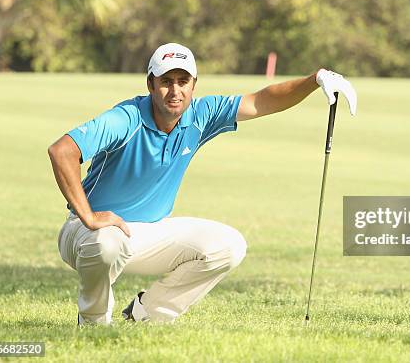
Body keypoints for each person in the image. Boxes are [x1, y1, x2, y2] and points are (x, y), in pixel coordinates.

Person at [48, 43, 357, 325]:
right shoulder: (126, 118)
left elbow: (262, 101)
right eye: (166, 81)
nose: (175, 91)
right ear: (150, 84)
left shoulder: (200, 115)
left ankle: (145, 314)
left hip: (149, 232)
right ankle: (93, 322)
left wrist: (315, 79)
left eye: (183, 82)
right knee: (106, 243)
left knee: (228, 246)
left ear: (193, 85)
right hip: (87, 233)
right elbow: (62, 150)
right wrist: (89, 216)